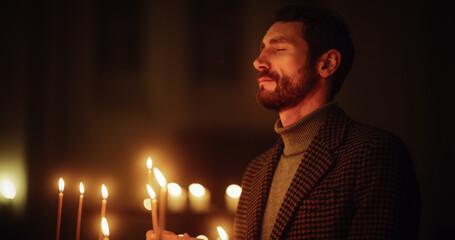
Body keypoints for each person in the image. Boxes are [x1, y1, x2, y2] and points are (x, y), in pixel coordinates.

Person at [147, 5, 420, 240]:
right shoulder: (256, 171)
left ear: (326, 64)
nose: (258, 62)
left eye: (278, 49)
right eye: (262, 49)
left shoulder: (374, 154)